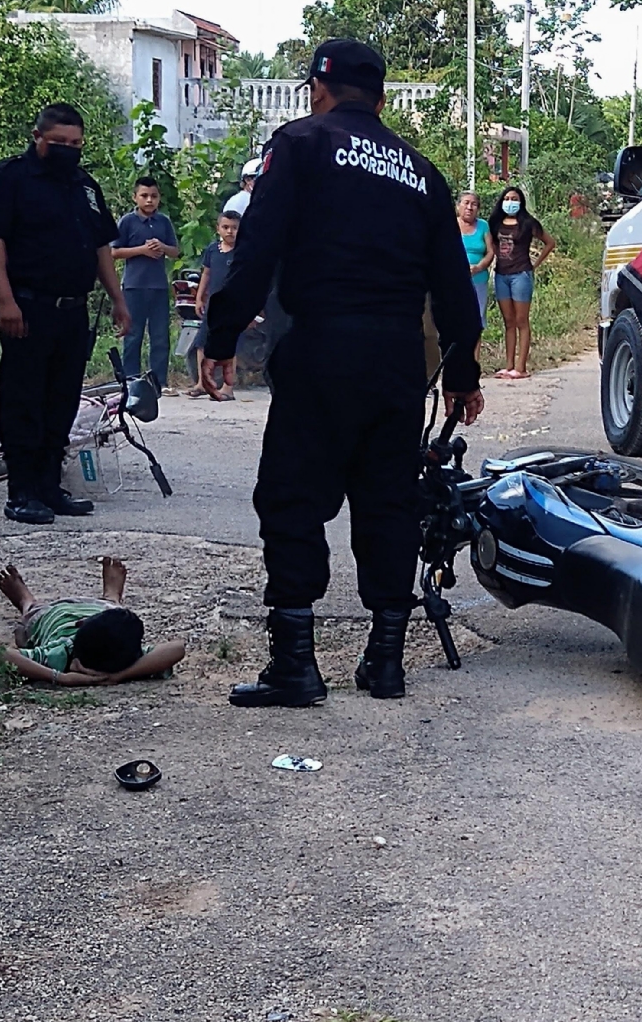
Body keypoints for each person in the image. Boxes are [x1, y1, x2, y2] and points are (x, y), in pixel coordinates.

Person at [200, 38, 484, 708]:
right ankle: (385, 661)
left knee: (293, 499)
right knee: (388, 501)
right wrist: (462, 372)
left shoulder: (299, 143)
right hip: (394, 363)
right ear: (381, 98)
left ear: (318, 90)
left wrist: (220, 334)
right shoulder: (420, 172)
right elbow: (452, 288)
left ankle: (295, 667)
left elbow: (259, 246)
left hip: (320, 348)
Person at [0, 103, 130, 526]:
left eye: (75, 143)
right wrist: (4, 300)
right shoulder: (12, 179)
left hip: (73, 310)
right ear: (37, 136)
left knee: (61, 401)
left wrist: (117, 298)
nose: (68, 150)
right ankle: (21, 491)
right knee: (24, 401)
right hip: (26, 306)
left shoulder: (84, 186)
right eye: (59, 142)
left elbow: (101, 247)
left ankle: (48, 486)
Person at [0, 557, 185, 686]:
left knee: (28, 622)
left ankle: (26, 600)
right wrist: (62, 678)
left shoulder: (59, 654)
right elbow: (177, 648)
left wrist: (62, 676)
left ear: (81, 625)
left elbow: (3, 655)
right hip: (86, 611)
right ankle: (112, 597)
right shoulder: (124, 658)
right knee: (117, 616)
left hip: (56, 614)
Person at [113, 176, 180, 392]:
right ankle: (131, 380)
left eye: (153, 196)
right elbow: (114, 251)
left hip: (159, 286)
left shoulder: (164, 222)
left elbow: (175, 251)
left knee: (160, 336)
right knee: (133, 335)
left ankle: (159, 381)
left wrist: (161, 247)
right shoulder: (127, 222)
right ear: (135, 197)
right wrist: (141, 250)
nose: (149, 200)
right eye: (144, 196)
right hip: (134, 286)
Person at [488, 185, 555, 379]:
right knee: (508, 321)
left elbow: (549, 242)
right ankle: (508, 365)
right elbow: (491, 243)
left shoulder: (527, 223)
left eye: (514, 198)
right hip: (501, 275)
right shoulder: (495, 222)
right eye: (507, 198)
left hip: (521, 275)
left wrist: (535, 264)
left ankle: (521, 366)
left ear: (521, 202)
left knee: (521, 321)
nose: (510, 202)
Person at [188, 209, 239, 398]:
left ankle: (228, 387)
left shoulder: (242, 251)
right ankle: (202, 383)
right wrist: (200, 297)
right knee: (202, 343)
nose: (230, 232)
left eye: (234, 228)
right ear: (218, 229)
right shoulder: (212, 250)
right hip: (212, 303)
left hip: (232, 303)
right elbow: (206, 274)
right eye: (225, 227)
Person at [458, 191, 494, 323]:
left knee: (477, 321)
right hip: (454, 280)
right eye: (466, 203)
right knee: (455, 319)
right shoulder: (450, 224)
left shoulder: (483, 225)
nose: (469, 207)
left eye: (474, 204)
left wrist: (478, 267)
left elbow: (491, 252)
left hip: (478, 279)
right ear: (458, 206)